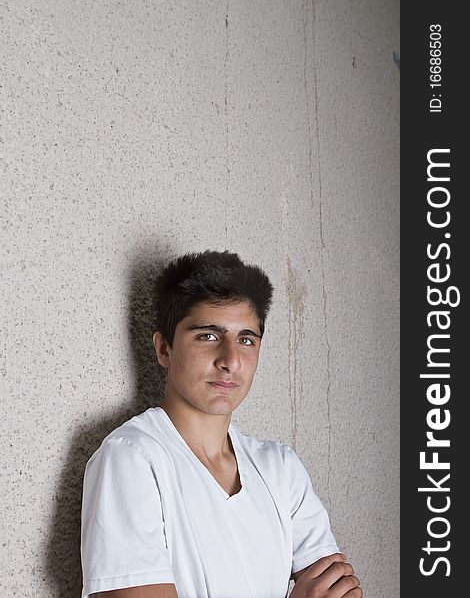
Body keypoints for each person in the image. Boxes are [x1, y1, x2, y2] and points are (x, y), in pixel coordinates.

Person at [80, 250, 362, 598]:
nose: (230, 360)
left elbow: (338, 589)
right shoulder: (133, 459)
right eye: (208, 336)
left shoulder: (280, 468)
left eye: (246, 339)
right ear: (163, 349)